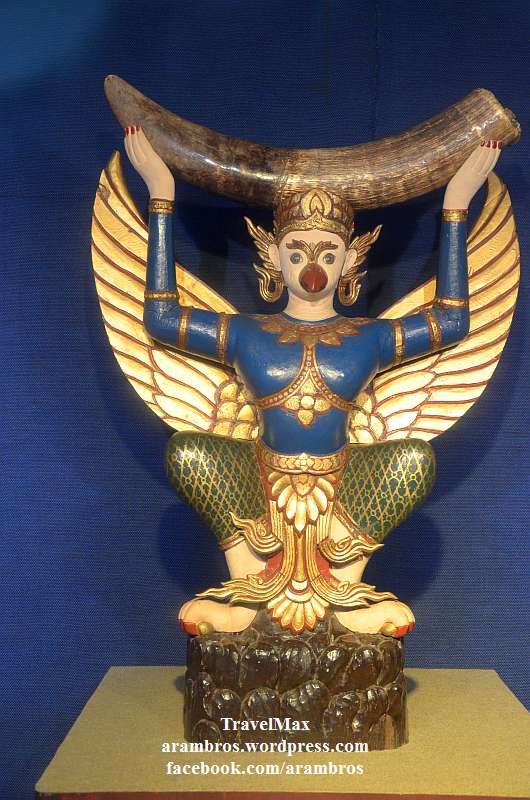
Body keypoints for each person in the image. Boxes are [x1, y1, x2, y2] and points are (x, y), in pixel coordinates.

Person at [124, 127, 501, 636]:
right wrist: (161, 198)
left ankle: (343, 597)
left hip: (343, 480)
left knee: (415, 460)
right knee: (189, 453)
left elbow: (451, 320)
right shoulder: (245, 332)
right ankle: (246, 597)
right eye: (298, 253)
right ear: (274, 258)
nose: (312, 268)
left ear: (349, 262)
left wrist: (454, 209)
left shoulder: (368, 336)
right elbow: (162, 319)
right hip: (259, 477)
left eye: (327, 254)